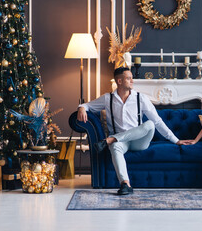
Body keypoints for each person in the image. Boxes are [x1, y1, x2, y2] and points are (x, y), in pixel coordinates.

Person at [77, 67, 190, 195]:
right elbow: (87, 105)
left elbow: (157, 121)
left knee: (150, 124)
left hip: (139, 141)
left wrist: (176, 140)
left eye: (131, 78)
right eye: (128, 78)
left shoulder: (140, 98)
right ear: (119, 81)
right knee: (115, 147)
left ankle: (110, 139)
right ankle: (125, 184)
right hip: (122, 142)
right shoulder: (107, 98)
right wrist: (81, 108)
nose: (132, 81)